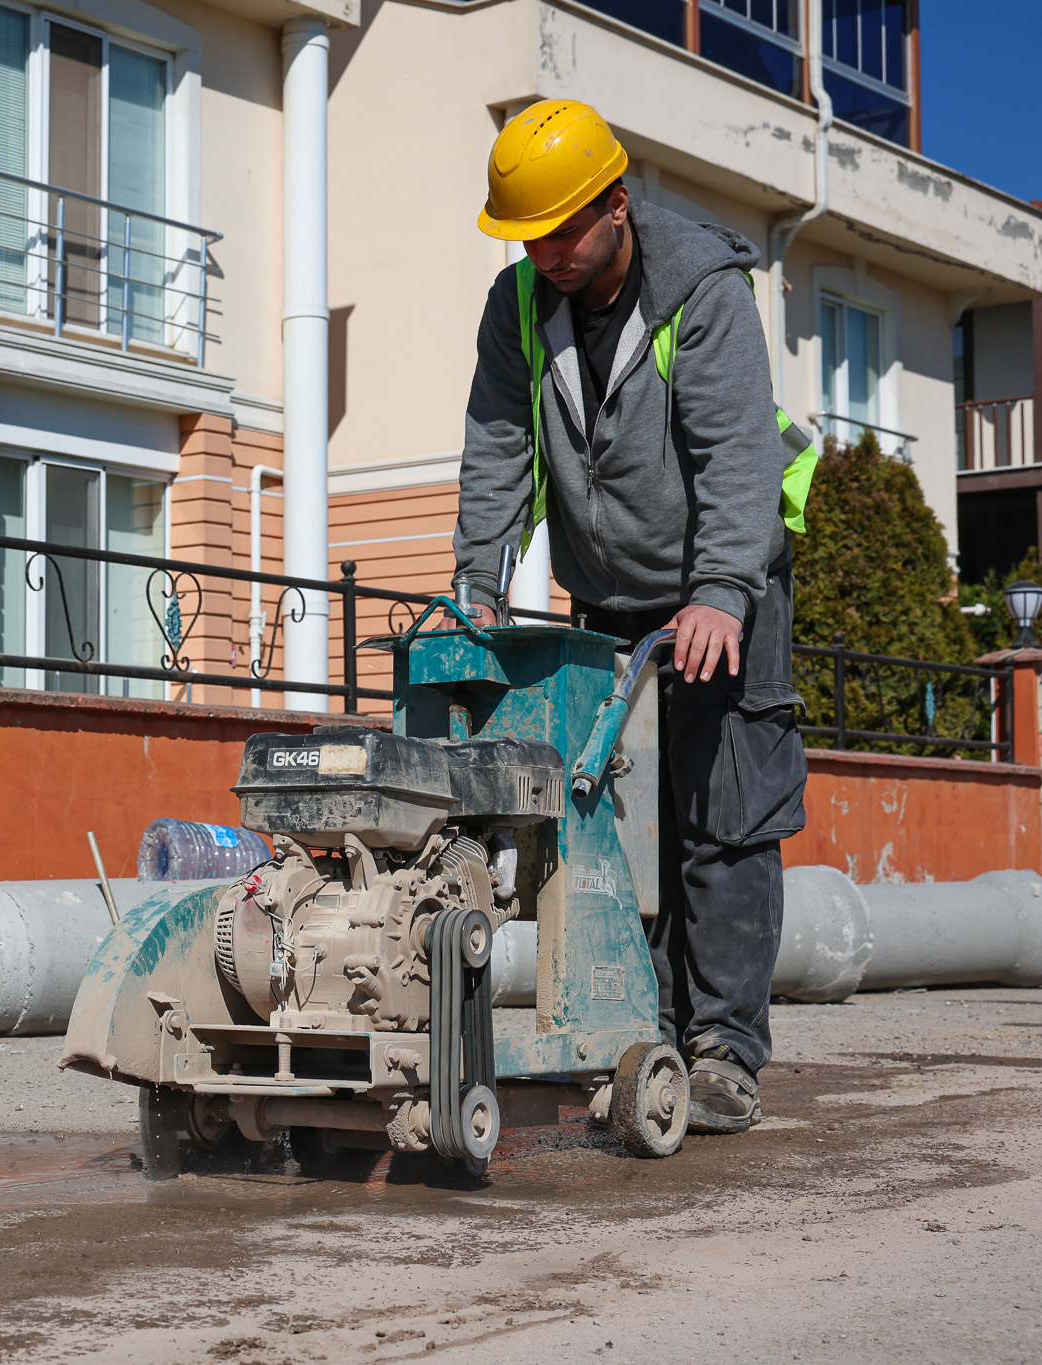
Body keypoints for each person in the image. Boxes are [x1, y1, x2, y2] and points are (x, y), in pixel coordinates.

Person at [452, 100, 812, 1134]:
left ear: (615, 204)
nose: (547, 254)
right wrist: (478, 579)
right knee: (619, 824)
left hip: (722, 588)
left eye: (564, 231)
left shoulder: (700, 288)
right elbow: (494, 449)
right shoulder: (517, 304)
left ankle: (724, 1052)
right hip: (607, 596)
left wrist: (717, 592)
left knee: (723, 820)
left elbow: (737, 453)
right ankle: (641, 1033)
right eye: (530, 237)